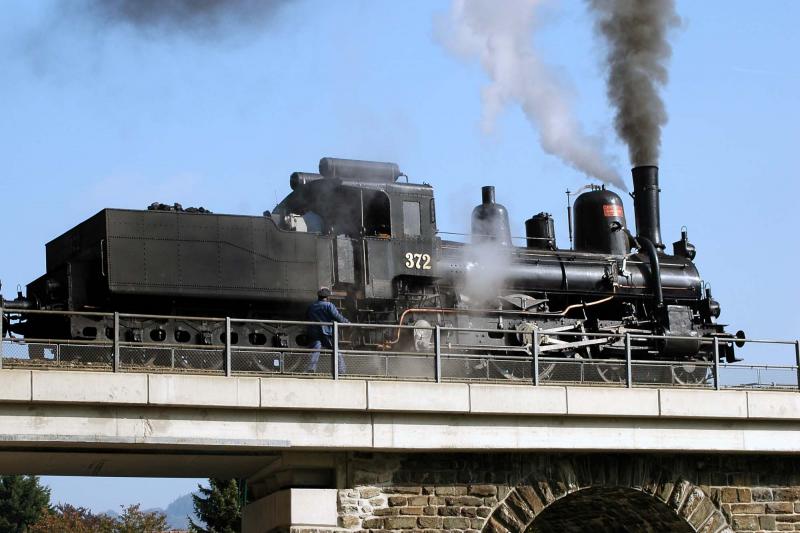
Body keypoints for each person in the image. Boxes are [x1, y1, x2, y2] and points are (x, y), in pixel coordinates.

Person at [306, 287, 349, 373]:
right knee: (336, 350)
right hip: (326, 332)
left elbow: (306, 317)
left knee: (316, 349)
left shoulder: (311, 306)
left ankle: (311, 368)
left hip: (314, 332)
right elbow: (337, 317)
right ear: (327, 297)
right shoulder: (329, 305)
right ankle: (341, 370)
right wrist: (347, 322)